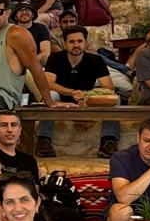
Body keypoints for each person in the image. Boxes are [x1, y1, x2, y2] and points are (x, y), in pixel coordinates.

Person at [40, 25, 120, 159]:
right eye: (71, 42)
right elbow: (48, 84)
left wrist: (88, 96)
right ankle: (44, 140)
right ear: (65, 44)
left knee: (112, 99)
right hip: (61, 99)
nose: (76, 45)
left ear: (85, 43)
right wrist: (72, 93)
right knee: (51, 95)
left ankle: (108, 141)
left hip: (86, 100)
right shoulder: (55, 58)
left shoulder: (96, 60)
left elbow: (108, 87)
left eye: (79, 41)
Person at [0, 109, 39, 181]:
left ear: (20, 130)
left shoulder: (29, 161)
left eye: (14, 125)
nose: (9, 130)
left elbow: (35, 190)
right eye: (4, 125)